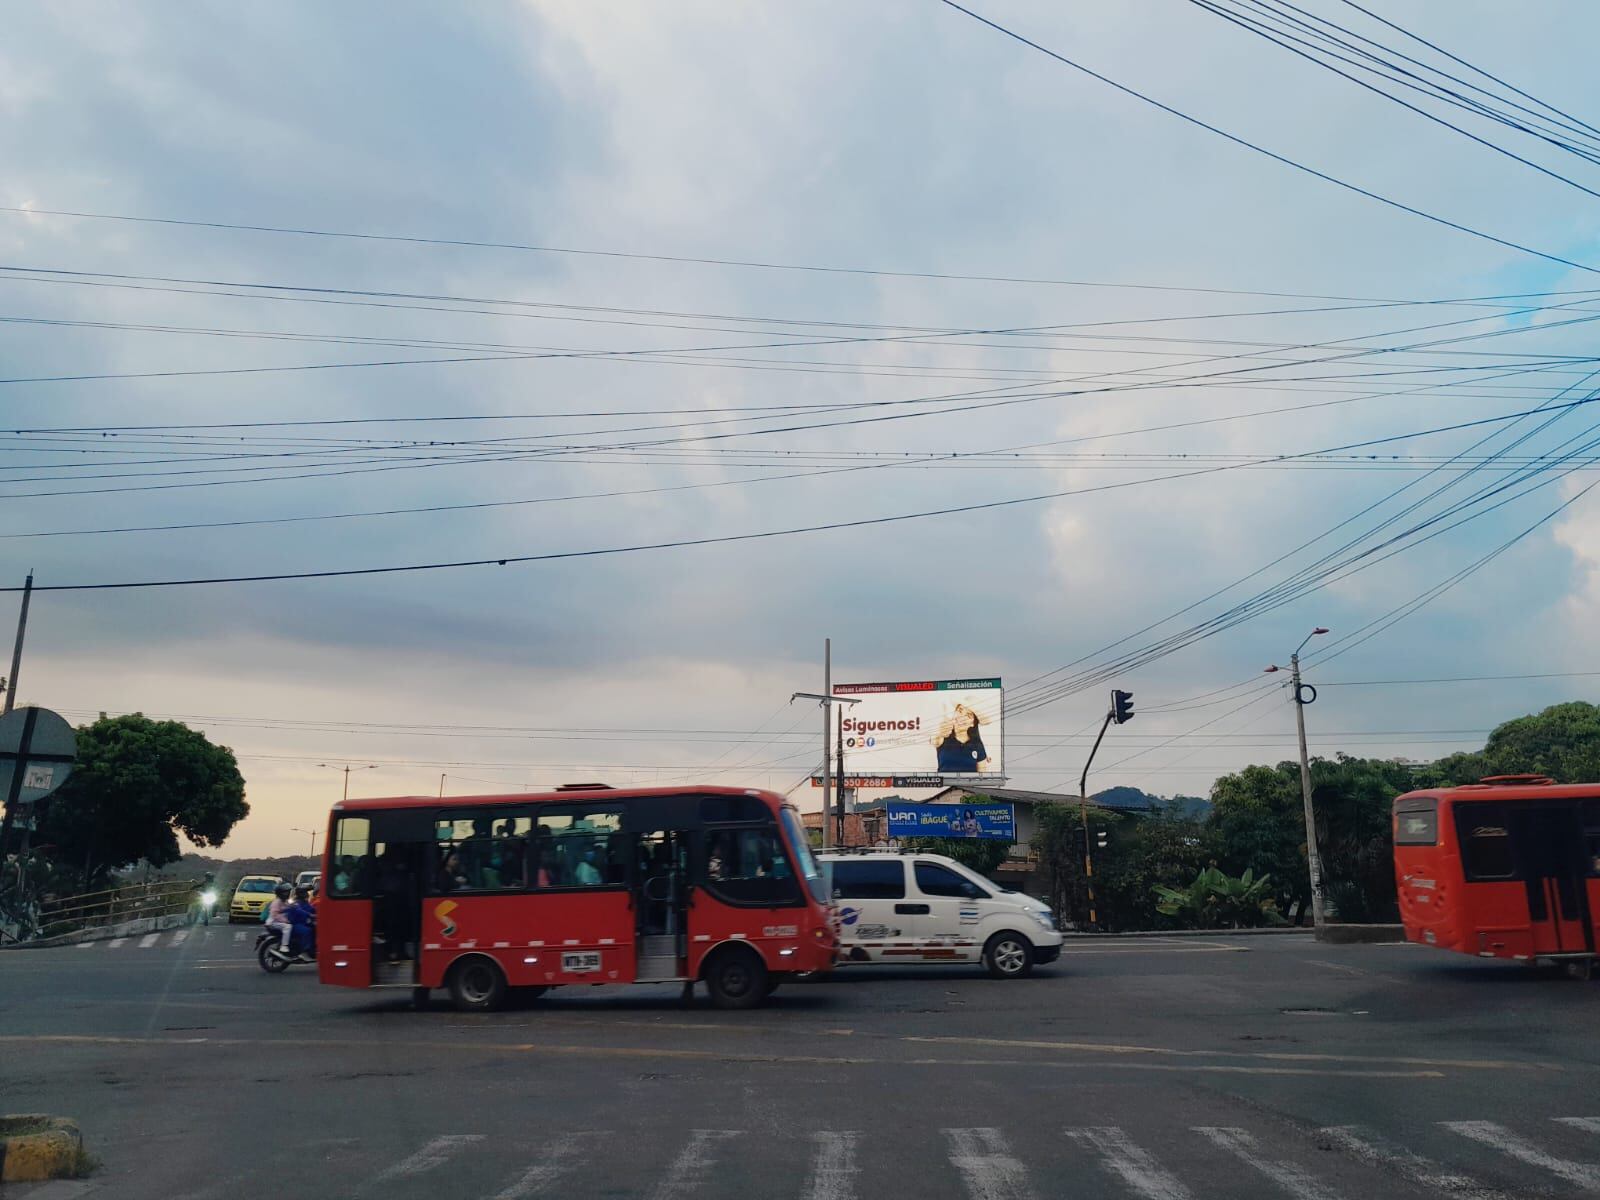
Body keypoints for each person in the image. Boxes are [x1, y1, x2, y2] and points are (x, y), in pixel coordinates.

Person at [932, 703, 992, 773]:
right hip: (945, 784)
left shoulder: (977, 745)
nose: (962, 717)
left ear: (973, 724)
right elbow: (935, 740)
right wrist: (940, 733)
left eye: (968, 715)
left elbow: (982, 776)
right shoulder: (943, 737)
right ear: (954, 713)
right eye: (960, 710)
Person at [285, 885, 317, 959]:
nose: (307, 894)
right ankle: (305, 951)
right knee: (307, 931)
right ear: (301, 893)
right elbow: (300, 911)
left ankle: (313, 949)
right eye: (305, 892)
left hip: (303, 922)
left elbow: (312, 908)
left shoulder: (305, 902)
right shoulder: (295, 902)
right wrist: (310, 915)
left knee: (315, 927)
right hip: (295, 924)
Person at [264, 882, 294, 952]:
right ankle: (284, 946)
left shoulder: (284, 901)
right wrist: (286, 920)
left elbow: (289, 907)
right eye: (286, 892)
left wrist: (294, 906)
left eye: (288, 892)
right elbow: (275, 915)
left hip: (277, 922)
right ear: (280, 893)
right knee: (287, 927)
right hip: (273, 923)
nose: (288, 894)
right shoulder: (277, 902)